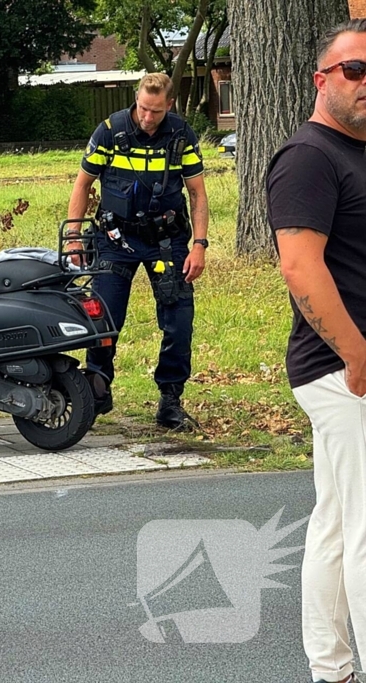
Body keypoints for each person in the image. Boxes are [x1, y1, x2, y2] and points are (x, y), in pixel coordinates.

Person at [266, 19, 366, 683]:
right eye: (354, 71)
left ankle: (330, 668)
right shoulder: (308, 156)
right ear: (321, 78)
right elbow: (301, 268)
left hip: (348, 367)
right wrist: (359, 357)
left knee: (337, 523)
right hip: (342, 368)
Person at [65, 73, 210, 430]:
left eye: (156, 112)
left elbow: (198, 195)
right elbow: (83, 184)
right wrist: (73, 236)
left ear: (169, 106)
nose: (147, 118)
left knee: (179, 322)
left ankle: (171, 399)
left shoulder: (181, 135)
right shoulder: (109, 132)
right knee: (103, 320)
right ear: (136, 100)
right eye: (144, 109)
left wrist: (199, 246)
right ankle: (97, 389)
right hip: (114, 241)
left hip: (167, 242)